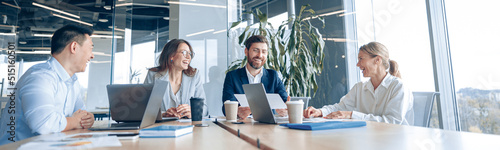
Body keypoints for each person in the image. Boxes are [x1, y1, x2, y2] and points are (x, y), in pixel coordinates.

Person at [0, 24, 95, 145]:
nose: (92, 55)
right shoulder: (40, 77)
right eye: (90, 48)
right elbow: (43, 125)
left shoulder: (72, 82)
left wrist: (87, 119)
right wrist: (75, 121)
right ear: (74, 47)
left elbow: (82, 115)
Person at [304, 42, 414, 125]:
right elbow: (340, 108)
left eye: (361, 59)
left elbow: (391, 122)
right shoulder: (360, 87)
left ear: (377, 60)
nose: (358, 64)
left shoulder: (398, 87)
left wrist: (351, 115)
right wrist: (319, 111)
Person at [222, 35, 288, 119]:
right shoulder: (232, 76)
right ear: (246, 51)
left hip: (267, 127)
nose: (260, 55)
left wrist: (286, 109)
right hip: (242, 125)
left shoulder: (273, 76)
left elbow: (285, 101)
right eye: (256, 50)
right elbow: (225, 107)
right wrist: (237, 111)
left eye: (264, 52)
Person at [144, 39, 207, 118]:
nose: (188, 57)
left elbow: (205, 109)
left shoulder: (194, 75)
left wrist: (193, 111)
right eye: (184, 52)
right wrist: (164, 114)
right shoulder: (153, 75)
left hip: (188, 127)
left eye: (190, 53)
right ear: (171, 56)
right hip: (161, 127)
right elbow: (144, 108)